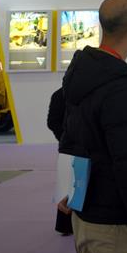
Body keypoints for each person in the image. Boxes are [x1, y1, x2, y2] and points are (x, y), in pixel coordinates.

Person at [57, 0, 127, 253]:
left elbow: (64, 131)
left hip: (85, 216)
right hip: (115, 225)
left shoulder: (81, 71)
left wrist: (69, 192)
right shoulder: (121, 86)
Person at [46, 87, 73, 236]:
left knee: (68, 184)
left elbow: (52, 122)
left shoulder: (58, 94)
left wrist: (63, 137)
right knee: (69, 184)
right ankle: (65, 224)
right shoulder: (60, 95)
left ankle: (65, 225)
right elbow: (52, 122)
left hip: (67, 145)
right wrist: (64, 137)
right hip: (69, 146)